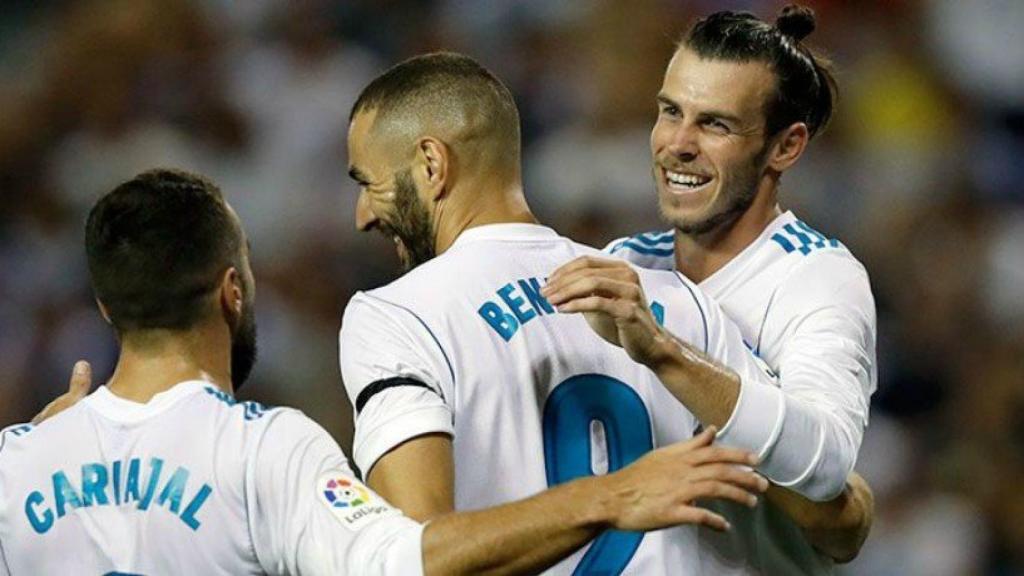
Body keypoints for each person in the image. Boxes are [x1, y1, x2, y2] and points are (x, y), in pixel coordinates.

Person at [0, 169, 768, 575]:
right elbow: (408, 563)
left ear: (106, 307)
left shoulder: (16, 465)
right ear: (231, 291)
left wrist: (36, 447)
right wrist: (612, 493)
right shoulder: (268, 451)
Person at [339, 51, 867, 575]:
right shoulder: (661, 292)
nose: (363, 213)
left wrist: (609, 495)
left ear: (432, 165)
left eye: (367, 183)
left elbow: (410, 560)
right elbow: (837, 511)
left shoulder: (393, 316)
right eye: (669, 112)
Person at [558, 5, 876, 573]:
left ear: (786, 146)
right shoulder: (624, 263)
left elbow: (828, 464)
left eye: (715, 124)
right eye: (670, 112)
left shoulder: (817, 278)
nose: (678, 143)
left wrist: (662, 349)